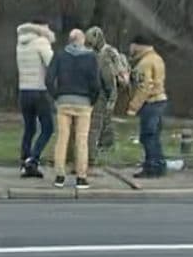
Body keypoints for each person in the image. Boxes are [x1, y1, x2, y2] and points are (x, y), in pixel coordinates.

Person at [45, 29, 102, 189]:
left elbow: (49, 79)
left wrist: (56, 96)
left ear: (70, 40)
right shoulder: (91, 57)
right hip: (84, 102)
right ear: (82, 40)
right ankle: (81, 177)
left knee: (62, 138)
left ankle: (59, 176)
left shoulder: (60, 55)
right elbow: (96, 83)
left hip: (64, 101)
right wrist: (92, 100)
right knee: (81, 140)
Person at [16, 17, 55, 178]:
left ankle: (24, 159)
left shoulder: (20, 43)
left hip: (24, 90)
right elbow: (51, 63)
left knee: (29, 128)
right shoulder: (41, 42)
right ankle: (33, 159)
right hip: (39, 90)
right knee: (48, 128)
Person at [126, 34, 168, 179]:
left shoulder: (144, 63)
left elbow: (144, 86)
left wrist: (134, 106)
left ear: (138, 45)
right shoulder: (156, 58)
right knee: (155, 135)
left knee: (147, 136)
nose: (130, 48)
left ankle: (151, 167)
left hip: (150, 102)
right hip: (160, 100)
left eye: (132, 45)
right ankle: (159, 165)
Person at [84, 26, 128, 163]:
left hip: (105, 88)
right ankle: (98, 148)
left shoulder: (108, 52)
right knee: (96, 122)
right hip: (93, 90)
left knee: (103, 120)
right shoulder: (90, 52)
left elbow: (116, 73)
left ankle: (104, 146)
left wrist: (114, 94)